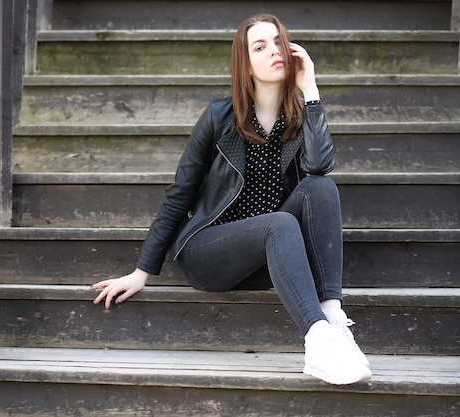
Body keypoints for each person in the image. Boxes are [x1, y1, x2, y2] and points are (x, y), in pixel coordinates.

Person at [91, 14, 371, 385]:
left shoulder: (301, 117)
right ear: (245, 63)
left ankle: (333, 319)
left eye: (278, 42)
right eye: (260, 46)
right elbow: (181, 194)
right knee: (280, 222)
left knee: (321, 188)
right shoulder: (218, 116)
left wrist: (312, 91)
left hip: (268, 256)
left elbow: (320, 167)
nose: (274, 51)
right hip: (209, 252)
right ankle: (318, 340)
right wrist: (142, 272)